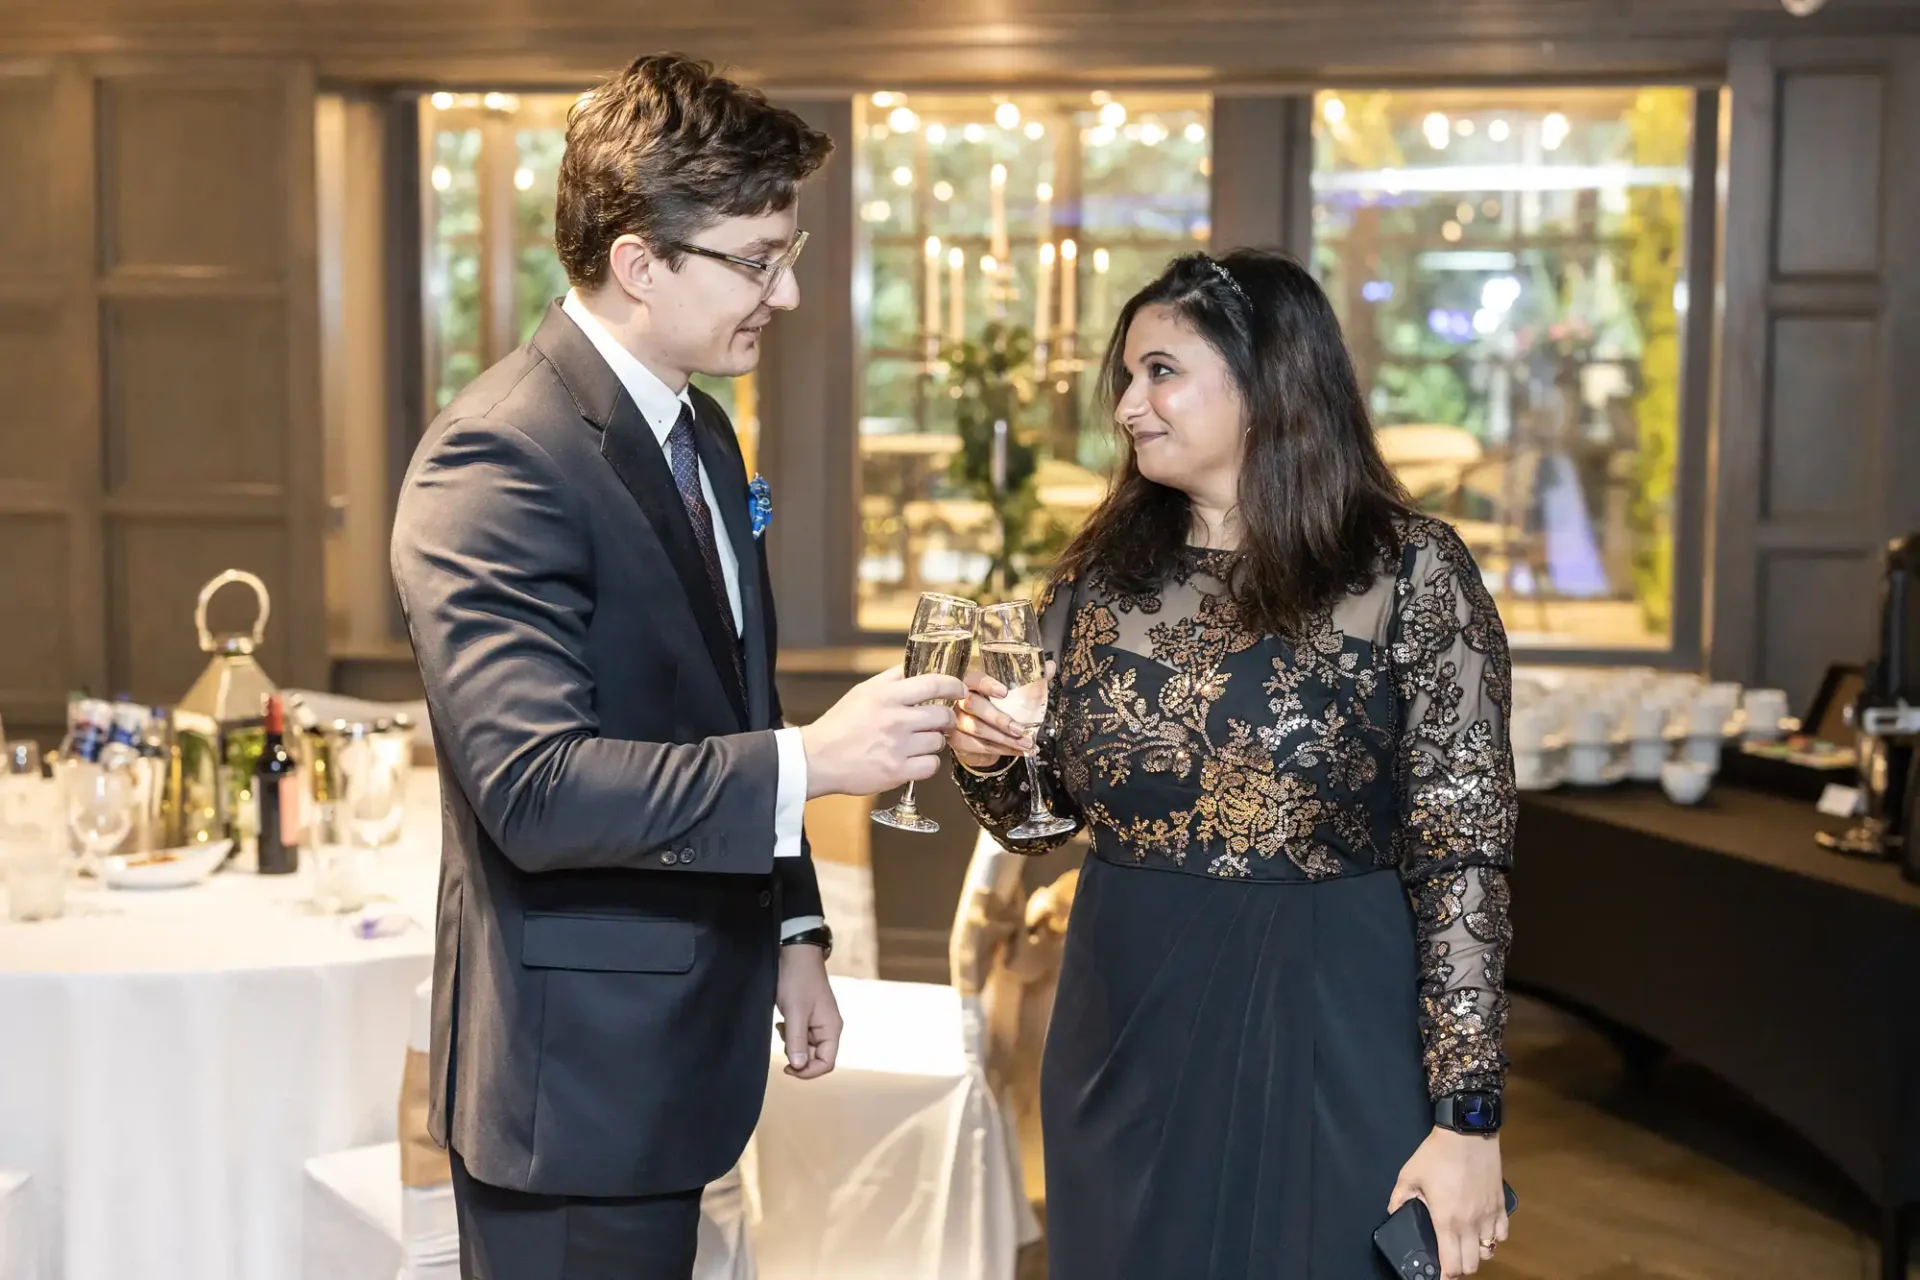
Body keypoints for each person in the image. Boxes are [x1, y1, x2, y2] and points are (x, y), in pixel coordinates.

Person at [390, 54, 964, 1280]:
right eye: (759, 260)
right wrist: (820, 760)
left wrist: (797, 923)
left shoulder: (698, 421)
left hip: (678, 1047)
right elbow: (537, 791)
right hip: (577, 1085)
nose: (792, 292)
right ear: (641, 260)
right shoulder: (498, 456)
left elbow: (730, 697)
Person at [946, 249, 1517, 1280]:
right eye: (1126, 376)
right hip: (1123, 1018)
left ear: (1269, 383)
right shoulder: (1103, 575)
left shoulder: (1410, 571)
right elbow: (1044, 818)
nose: (1128, 405)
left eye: (1161, 371)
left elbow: (1466, 860)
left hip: (1332, 1019)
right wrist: (991, 762)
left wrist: (1468, 1116)